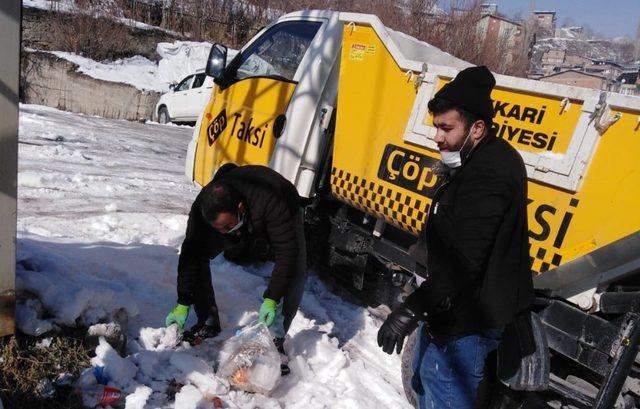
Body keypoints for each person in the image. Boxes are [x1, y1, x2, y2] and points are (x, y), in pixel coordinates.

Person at [377, 66, 534, 408]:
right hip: (444, 307)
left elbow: (464, 263)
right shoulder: (474, 158)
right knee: (421, 382)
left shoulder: (490, 172)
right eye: (436, 126)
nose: (437, 137)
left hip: (466, 320)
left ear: (477, 128)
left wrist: (407, 312)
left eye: (446, 128)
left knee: (442, 392)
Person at [165, 164, 307, 371]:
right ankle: (208, 320)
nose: (222, 232)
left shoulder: (273, 202)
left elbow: (287, 255)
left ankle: (274, 341)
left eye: (226, 227)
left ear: (240, 209)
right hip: (243, 210)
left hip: (281, 199)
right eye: (217, 228)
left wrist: (272, 299)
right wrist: (183, 301)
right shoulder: (203, 211)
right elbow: (191, 254)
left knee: (295, 272)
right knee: (199, 253)